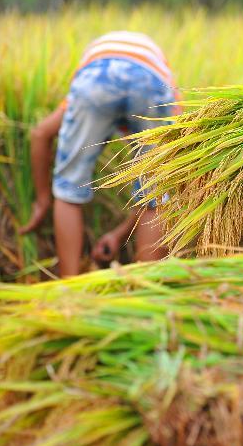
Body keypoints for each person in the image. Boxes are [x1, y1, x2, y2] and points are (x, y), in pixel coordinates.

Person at [19, 31, 179, 277]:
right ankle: (149, 290)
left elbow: (40, 134)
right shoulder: (160, 72)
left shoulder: (95, 70)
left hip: (96, 79)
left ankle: (70, 292)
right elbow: (177, 156)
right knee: (156, 193)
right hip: (151, 79)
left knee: (69, 190)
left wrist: (44, 199)